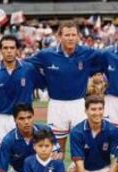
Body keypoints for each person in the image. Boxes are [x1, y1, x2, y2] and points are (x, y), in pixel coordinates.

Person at [26, 21, 101, 154]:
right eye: (67, 35)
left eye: (74, 35)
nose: (71, 38)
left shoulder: (88, 53)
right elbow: (25, 65)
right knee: (56, 150)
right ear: (59, 37)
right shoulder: (46, 54)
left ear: (78, 36)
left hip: (78, 105)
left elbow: (108, 58)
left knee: (83, 148)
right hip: (56, 105)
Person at [0, 104, 61, 172]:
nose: (26, 122)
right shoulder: (8, 140)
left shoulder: (45, 130)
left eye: (29, 117)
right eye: (21, 118)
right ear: (15, 120)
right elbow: (1, 171)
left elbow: (59, 153)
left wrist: (56, 155)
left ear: (33, 117)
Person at [65, 95, 118, 172]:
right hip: (83, 168)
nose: (97, 112)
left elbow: (117, 158)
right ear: (86, 111)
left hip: (104, 168)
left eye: (100, 109)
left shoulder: (112, 130)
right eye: (93, 109)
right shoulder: (77, 131)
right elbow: (79, 162)